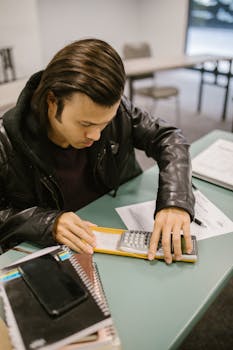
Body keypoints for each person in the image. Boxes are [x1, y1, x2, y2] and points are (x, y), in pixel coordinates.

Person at [0, 38, 194, 264]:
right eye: (85, 124)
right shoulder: (6, 143)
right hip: (62, 253)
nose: (96, 135)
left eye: (105, 123)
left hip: (117, 228)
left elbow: (169, 137)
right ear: (52, 101)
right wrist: (45, 222)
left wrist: (175, 200)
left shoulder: (116, 110)